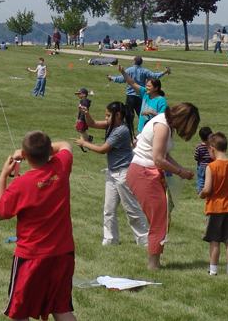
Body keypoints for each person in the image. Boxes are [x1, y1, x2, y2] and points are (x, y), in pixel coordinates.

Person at [0, 131, 76, 321]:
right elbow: (65, 144)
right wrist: (33, 151)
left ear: (25, 155)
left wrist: (3, 176)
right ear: (49, 152)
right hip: (63, 253)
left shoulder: (21, 184)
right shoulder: (61, 166)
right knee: (61, 308)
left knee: (19, 312)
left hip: (31, 256)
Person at [127, 103, 200, 269]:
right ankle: (153, 264)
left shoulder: (166, 125)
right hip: (143, 173)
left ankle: (155, 262)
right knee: (159, 219)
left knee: (162, 217)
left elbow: (165, 155)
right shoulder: (162, 126)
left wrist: (181, 169)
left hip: (148, 172)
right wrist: (178, 172)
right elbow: (158, 159)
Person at [75, 101, 148, 247]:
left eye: (108, 115)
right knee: (108, 209)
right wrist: (86, 114)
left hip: (123, 174)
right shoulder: (112, 125)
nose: (106, 118)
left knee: (131, 209)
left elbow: (103, 149)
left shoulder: (121, 130)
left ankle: (145, 240)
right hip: (112, 172)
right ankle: (110, 239)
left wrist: (84, 143)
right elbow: (93, 124)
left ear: (118, 115)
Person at [198, 131, 228, 275]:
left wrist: (201, 194)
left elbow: (207, 189)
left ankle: (213, 270)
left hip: (215, 207)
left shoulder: (211, 167)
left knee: (214, 240)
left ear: (212, 148)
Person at [107, 56, 168, 121]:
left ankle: (130, 127)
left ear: (134, 62)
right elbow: (154, 76)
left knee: (129, 115)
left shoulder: (129, 70)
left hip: (131, 96)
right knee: (142, 114)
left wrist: (111, 78)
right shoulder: (144, 71)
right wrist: (163, 72)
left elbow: (121, 79)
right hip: (141, 96)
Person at [117, 67, 167, 134]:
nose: (146, 87)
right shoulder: (145, 94)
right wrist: (123, 72)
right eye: (146, 86)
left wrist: (151, 112)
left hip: (153, 132)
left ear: (156, 88)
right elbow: (132, 83)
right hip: (142, 130)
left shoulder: (161, 101)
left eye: (149, 86)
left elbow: (163, 117)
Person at [193, 126, 213, 193]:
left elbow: (196, 156)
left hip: (201, 165)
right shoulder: (212, 146)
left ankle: (201, 191)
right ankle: (210, 190)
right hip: (210, 166)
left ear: (201, 137)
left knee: (200, 179)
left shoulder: (199, 147)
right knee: (210, 178)